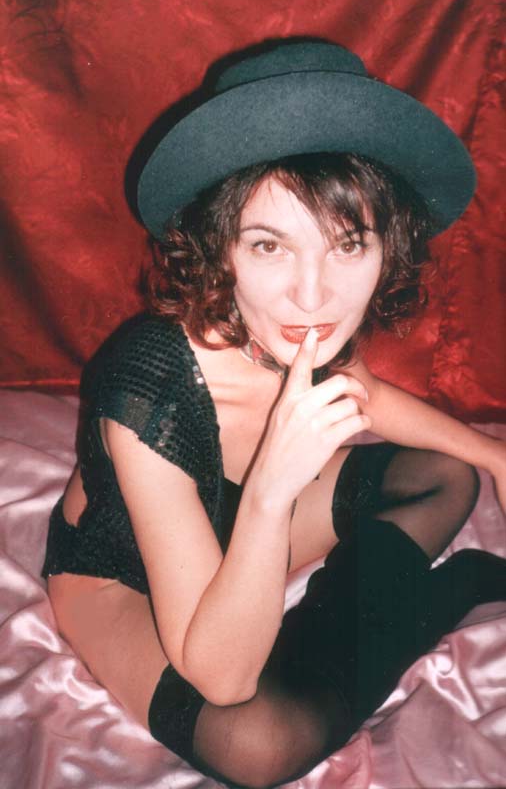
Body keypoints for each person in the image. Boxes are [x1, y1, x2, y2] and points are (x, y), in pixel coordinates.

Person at [42, 40, 506, 788]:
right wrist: (268, 494)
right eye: (269, 246)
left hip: (246, 525)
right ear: (218, 250)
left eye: (348, 245)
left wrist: (496, 455)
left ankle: (381, 610)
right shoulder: (147, 386)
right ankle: (435, 598)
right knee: (256, 743)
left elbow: (369, 396)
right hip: (119, 575)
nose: (313, 296)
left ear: (387, 249)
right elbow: (221, 680)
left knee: (447, 475)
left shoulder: (297, 331)